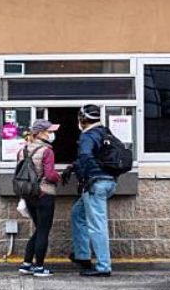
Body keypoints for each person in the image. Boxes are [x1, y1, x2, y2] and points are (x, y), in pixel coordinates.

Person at [69, 104, 117, 277]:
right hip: (109, 182)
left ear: (82, 119)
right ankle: (82, 256)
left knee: (97, 226)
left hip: (95, 184)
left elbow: (86, 156)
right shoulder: (105, 132)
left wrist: (85, 176)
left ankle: (103, 266)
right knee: (77, 214)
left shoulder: (87, 136)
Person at [18, 119, 62, 277]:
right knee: (43, 231)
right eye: (49, 131)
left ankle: (26, 263)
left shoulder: (23, 150)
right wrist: (60, 177)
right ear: (40, 133)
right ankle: (40, 267)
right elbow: (50, 175)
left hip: (29, 195)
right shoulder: (47, 151)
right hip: (45, 194)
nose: (52, 134)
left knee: (39, 230)